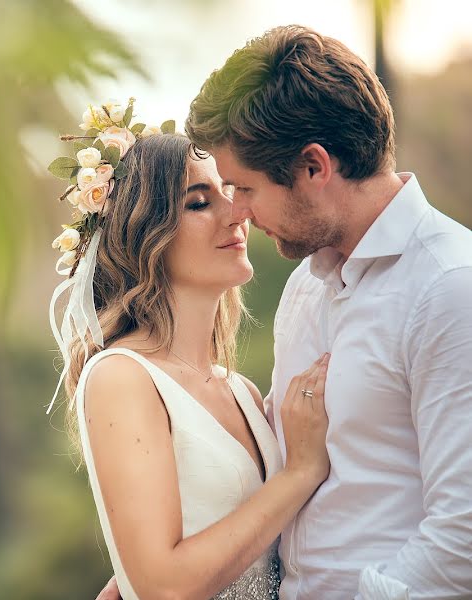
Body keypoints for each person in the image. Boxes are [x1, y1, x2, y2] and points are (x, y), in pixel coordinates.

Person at [99, 24, 472, 599]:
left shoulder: (449, 288)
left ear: (314, 167)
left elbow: (462, 539)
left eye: (243, 188)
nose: (239, 212)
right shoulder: (306, 289)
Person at [47, 103, 331, 599]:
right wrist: (300, 473)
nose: (236, 213)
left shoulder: (240, 389)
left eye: (229, 192)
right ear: (146, 234)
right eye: (199, 203)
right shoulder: (121, 377)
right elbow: (164, 588)